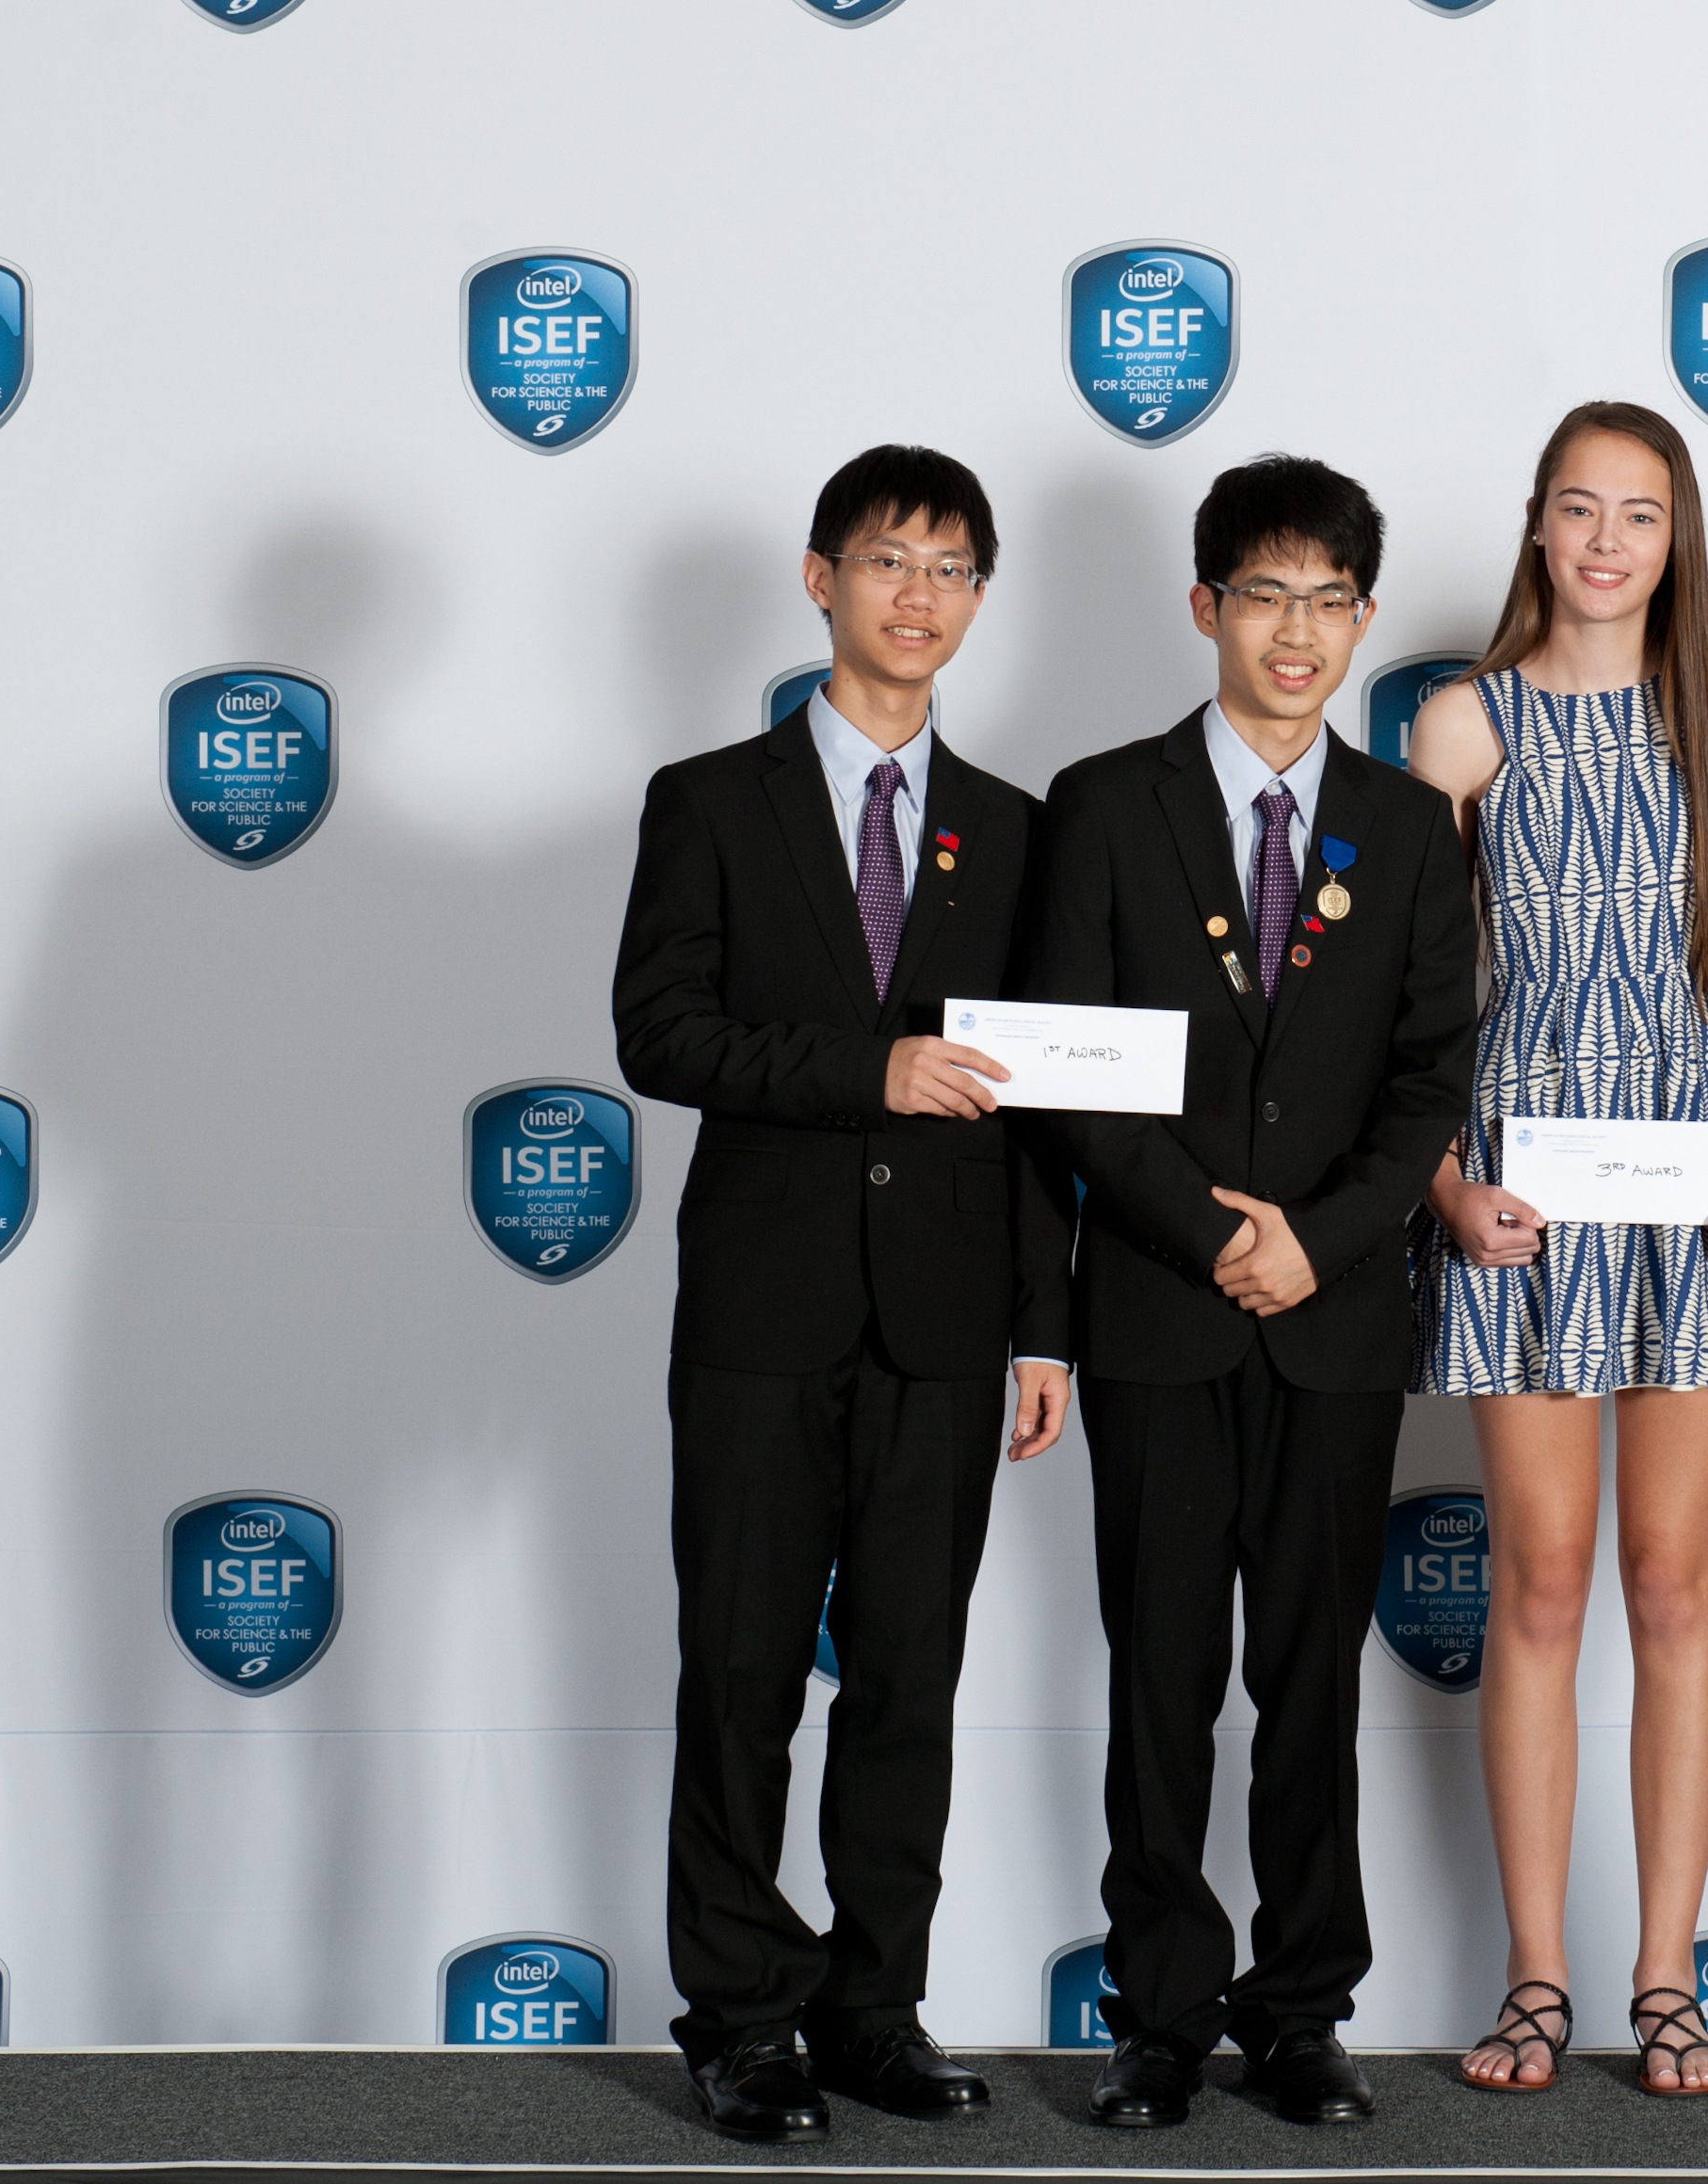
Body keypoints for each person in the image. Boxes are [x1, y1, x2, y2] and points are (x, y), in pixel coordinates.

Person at [612, 445, 1073, 2144]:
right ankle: (738, 2016)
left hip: (948, 1327)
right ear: (821, 578)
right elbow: (657, 1035)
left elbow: (1036, 1109)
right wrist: (868, 1072)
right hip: (759, 1312)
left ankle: (874, 2005)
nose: (920, 597)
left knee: (909, 1680)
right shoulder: (707, 801)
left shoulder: (1018, 834)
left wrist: (1044, 1323)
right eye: (890, 561)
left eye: (955, 570)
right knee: (736, 1672)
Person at [1029, 455, 1476, 2129]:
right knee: (1158, 1675)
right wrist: (1208, 1231)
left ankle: (1302, 2012)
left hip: (1339, 1317)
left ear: (1365, 620)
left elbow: (1432, 1073)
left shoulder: (1407, 827)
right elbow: (1065, 1064)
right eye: (1265, 597)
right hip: (1155, 1307)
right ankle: (1158, 2015)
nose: (1299, 634)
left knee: (1311, 1678)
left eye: (1331, 603)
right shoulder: (1104, 804)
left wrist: (1326, 1235)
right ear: (1206, 604)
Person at [1408, 400, 1708, 2100]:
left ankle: (1667, 1978)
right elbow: (1409, 1002)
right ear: (1534, 526)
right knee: (1547, 1580)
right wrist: (1442, 1186)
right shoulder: (1461, 721)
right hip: (1523, 1186)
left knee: (1674, 1577)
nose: (1603, 541)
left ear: (1676, 533)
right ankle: (1534, 1979)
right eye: (1575, 509)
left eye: (1636, 514)